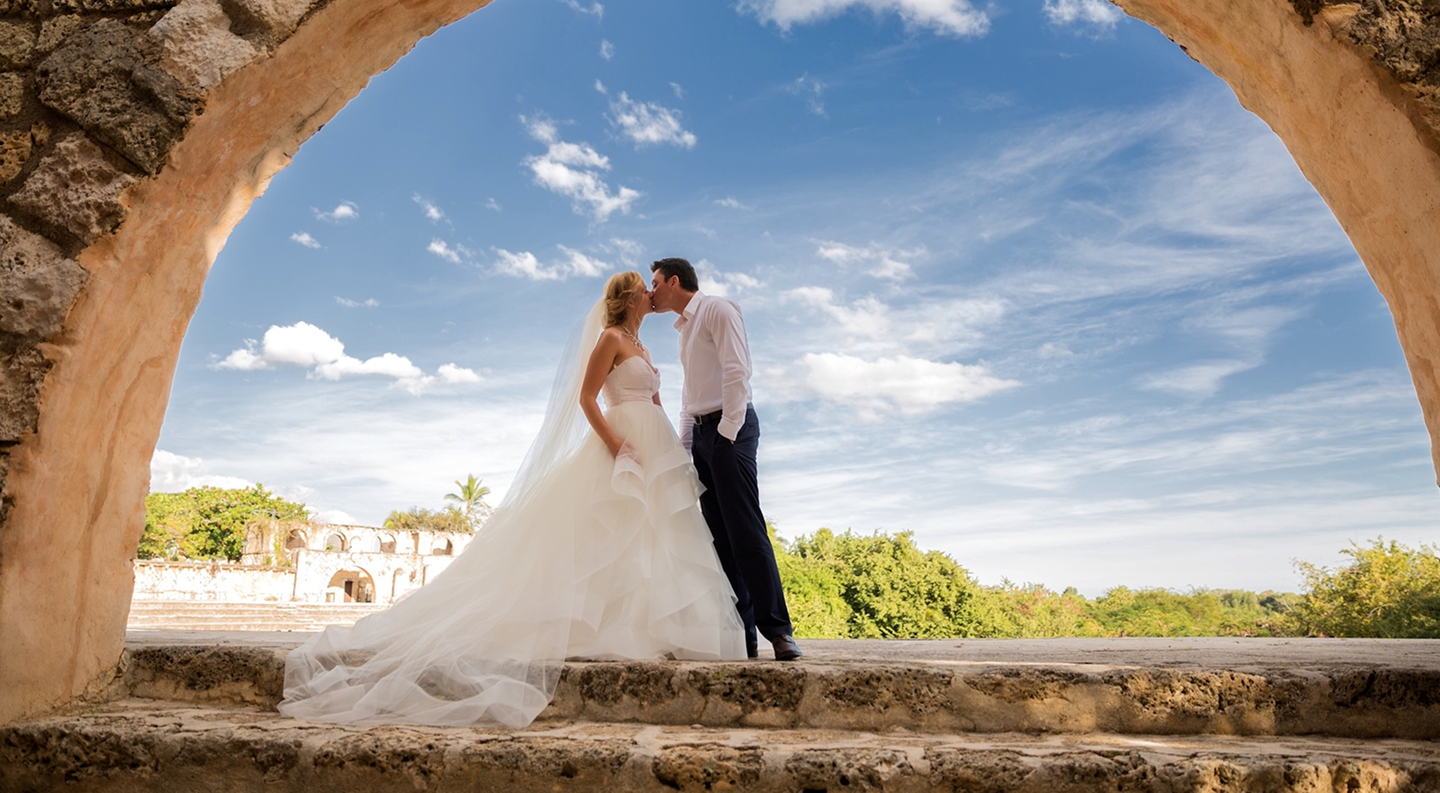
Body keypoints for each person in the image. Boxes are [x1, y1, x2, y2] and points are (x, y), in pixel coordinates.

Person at [277, 271, 747, 728]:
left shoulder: (645, 345)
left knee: (658, 534)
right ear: (628, 300)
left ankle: (653, 626)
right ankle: (606, 626)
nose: (650, 293)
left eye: (653, 286)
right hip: (621, 440)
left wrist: (672, 447)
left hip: (656, 442)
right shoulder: (609, 338)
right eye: (642, 289)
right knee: (613, 530)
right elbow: (587, 399)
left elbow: (658, 400)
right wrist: (616, 445)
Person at [648, 258, 801, 661]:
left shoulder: (717, 309)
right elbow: (689, 395)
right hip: (703, 434)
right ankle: (743, 636)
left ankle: (778, 632)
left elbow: (737, 370)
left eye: (655, 283)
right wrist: (686, 446)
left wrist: (728, 433)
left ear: (674, 281)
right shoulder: (683, 330)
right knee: (720, 539)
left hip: (728, 431)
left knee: (746, 531)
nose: (651, 292)